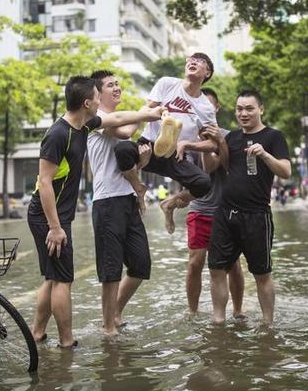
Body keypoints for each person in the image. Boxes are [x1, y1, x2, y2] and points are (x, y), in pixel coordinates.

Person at [28, 76, 163, 348]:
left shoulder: (84, 125)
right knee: (63, 280)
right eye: (98, 97)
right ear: (87, 102)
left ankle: (37, 333)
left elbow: (118, 118)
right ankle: (66, 342)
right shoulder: (58, 134)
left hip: (58, 214)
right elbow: (44, 182)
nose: (102, 101)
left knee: (53, 276)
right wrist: (55, 227)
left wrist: (149, 112)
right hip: (48, 215)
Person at [207, 90, 291, 325]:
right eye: (239, 109)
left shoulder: (274, 137)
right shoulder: (231, 138)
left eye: (249, 108)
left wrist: (264, 154)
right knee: (216, 269)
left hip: (256, 215)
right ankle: (218, 321)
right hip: (225, 213)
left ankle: (267, 324)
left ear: (261, 109)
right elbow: (212, 167)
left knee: (261, 273)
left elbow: (285, 171)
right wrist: (212, 143)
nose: (243, 113)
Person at [114, 52, 217, 234]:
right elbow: (145, 109)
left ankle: (169, 204)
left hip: (175, 155)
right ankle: (139, 188)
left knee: (204, 183)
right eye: (190, 59)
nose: (192, 62)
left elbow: (212, 144)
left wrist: (187, 145)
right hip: (149, 146)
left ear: (207, 72)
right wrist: (148, 116)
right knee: (122, 148)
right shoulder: (167, 83)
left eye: (199, 61)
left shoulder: (205, 107)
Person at [87, 70, 152, 335]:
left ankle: (115, 312)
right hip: (106, 203)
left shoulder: (116, 119)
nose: (117, 87)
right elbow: (124, 131)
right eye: (110, 85)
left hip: (127, 200)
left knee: (140, 265)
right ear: (97, 94)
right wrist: (147, 111)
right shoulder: (96, 119)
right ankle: (108, 328)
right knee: (111, 269)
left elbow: (128, 163)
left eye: (117, 83)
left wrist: (143, 162)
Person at [182, 88, 244, 316]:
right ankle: (193, 312)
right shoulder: (185, 140)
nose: (201, 111)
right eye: (196, 107)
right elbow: (201, 171)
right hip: (200, 209)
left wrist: (219, 141)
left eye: (206, 106)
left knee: (233, 264)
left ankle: (238, 311)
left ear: (215, 109)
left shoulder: (229, 136)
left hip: (227, 210)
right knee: (194, 262)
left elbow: (226, 167)